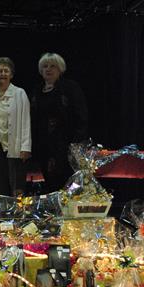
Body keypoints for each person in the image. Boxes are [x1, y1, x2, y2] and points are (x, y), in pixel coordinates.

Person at [31, 52, 88, 193]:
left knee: (65, 184)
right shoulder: (37, 90)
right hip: (44, 145)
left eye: (52, 66)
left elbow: (81, 116)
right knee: (49, 183)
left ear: (60, 69)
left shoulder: (70, 87)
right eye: (45, 66)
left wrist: (76, 143)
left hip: (65, 145)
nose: (48, 69)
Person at [0, 57, 32, 197]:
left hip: (14, 148)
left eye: (6, 71)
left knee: (17, 186)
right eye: (0, 71)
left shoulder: (19, 93)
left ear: (11, 74)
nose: (3, 74)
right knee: (0, 185)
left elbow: (26, 121)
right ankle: (3, 216)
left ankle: (16, 216)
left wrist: (25, 147)